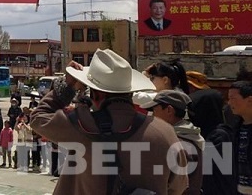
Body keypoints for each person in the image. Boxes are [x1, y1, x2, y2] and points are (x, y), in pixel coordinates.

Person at [30, 48, 189, 195]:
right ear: (129, 91)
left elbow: (38, 118)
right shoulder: (165, 132)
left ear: (96, 95)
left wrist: (67, 85)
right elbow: (178, 187)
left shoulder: (82, 124)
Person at [140, 90, 204, 195]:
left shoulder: (177, 143)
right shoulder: (189, 135)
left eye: (154, 111)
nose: (152, 116)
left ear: (169, 110)